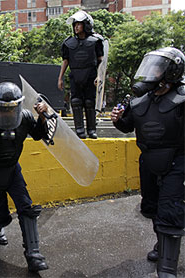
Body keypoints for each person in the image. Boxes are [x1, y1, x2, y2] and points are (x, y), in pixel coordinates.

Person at [111, 47, 185, 278]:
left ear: (171, 71)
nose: (151, 71)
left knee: (170, 210)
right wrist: (118, 120)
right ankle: (161, 245)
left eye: (157, 67)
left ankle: (167, 269)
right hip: (149, 161)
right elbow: (128, 125)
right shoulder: (141, 100)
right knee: (152, 207)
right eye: (150, 66)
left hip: (178, 161)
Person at [0, 82, 49, 272]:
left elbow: (39, 135)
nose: (7, 114)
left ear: (19, 107)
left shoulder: (26, 118)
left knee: (27, 208)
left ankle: (34, 254)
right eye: (2, 110)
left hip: (13, 171)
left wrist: (43, 116)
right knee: (1, 216)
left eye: (11, 110)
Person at [58, 10, 104, 139]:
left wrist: (99, 76)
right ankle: (79, 130)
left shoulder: (96, 41)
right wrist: (60, 78)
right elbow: (65, 61)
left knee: (89, 102)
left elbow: (101, 61)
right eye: (75, 25)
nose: (76, 27)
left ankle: (91, 130)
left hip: (90, 75)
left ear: (86, 25)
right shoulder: (69, 43)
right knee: (76, 102)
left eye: (79, 24)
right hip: (75, 75)